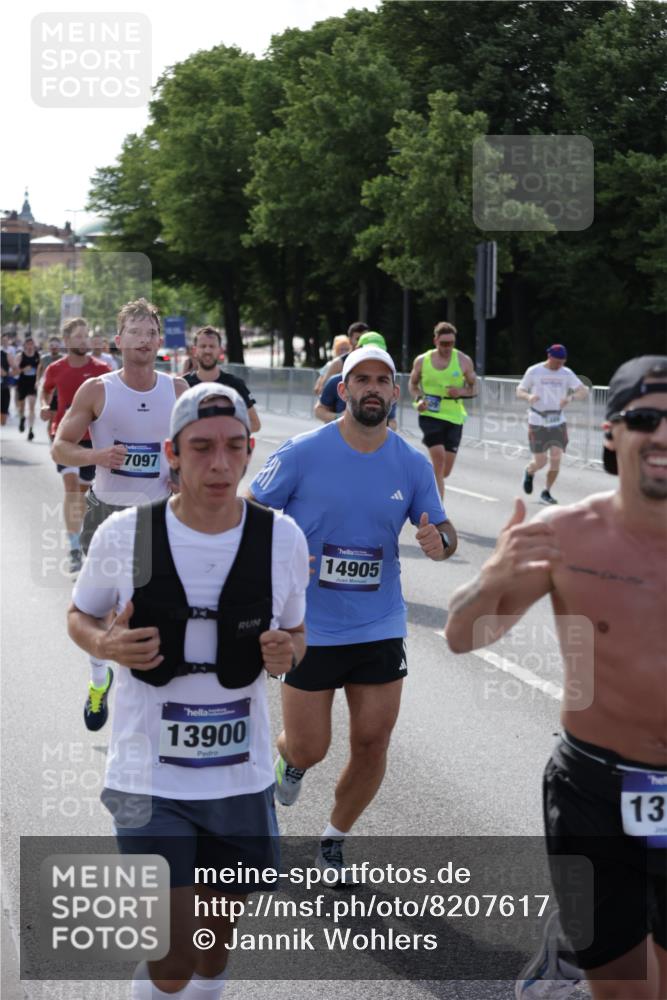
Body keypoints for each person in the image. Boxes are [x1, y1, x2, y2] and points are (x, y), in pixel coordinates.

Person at [67, 382, 309, 1000]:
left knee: (213, 940)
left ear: (251, 449)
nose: (220, 463)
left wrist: (289, 650)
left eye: (233, 446)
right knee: (173, 955)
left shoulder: (281, 538)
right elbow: (81, 616)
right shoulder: (127, 535)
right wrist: (106, 646)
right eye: (201, 447)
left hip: (238, 775)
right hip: (149, 776)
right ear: (172, 453)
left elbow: (297, 632)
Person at [445, 355, 667, 1000]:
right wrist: (491, 576)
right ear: (610, 432)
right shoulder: (563, 535)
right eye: (644, 419)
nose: (661, 435)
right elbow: (463, 638)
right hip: (591, 795)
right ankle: (568, 960)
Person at [249, 344, 458, 881]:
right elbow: (250, 511)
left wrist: (441, 543)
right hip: (309, 624)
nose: (371, 387)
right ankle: (288, 763)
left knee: (373, 739)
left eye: (381, 380)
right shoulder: (301, 451)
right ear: (341, 390)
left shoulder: (411, 461)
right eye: (359, 379)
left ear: (395, 391)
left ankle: (334, 841)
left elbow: (443, 528)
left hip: (379, 621)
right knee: (309, 747)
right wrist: (288, 550)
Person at [52, 298, 188, 732]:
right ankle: (99, 681)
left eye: (151, 332)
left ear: (159, 340)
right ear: (118, 340)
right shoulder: (98, 390)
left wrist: (183, 474)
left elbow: (194, 445)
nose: (144, 340)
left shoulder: (178, 389)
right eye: (135, 332)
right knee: (100, 612)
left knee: (157, 611)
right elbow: (60, 446)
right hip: (108, 512)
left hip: (163, 515)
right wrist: (99, 455)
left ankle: (152, 702)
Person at [41, 319, 110, 572]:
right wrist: (45, 408)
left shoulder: (102, 369)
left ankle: (85, 536)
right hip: (64, 436)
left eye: (86, 336)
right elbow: (47, 391)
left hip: (92, 440)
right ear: (67, 340)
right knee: (71, 489)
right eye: (79, 336)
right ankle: (73, 547)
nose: (84, 341)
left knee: (82, 492)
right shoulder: (56, 369)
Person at [408, 321, 478, 499]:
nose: (447, 348)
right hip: (430, 414)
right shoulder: (422, 360)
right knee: (438, 458)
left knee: (444, 471)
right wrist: (419, 399)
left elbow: (475, 388)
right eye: (443, 343)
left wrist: (461, 391)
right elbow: (413, 384)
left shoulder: (463, 360)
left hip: (454, 416)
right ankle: (438, 512)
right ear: (435, 341)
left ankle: (428, 481)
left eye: (451, 344)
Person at [516, 344, 589, 505]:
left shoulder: (566, 373)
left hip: (557, 420)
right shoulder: (534, 371)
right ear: (549, 357)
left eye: (562, 362)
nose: (559, 365)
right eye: (557, 362)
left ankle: (546, 491)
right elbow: (519, 390)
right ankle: (529, 471)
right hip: (537, 419)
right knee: (541, 461)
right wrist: (528, 397)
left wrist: (571, 398)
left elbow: (583, 391)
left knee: (556, 458)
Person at [184, 326, 261, 433]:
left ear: (220, 350)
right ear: (194, 350)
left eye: (212, 346)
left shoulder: (235, 384)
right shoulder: (183, 385)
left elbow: (255, 424)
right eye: (203, 346)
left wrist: (224, 433)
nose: (207, 350)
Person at [315, 332, 398, 430]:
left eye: (379, 351)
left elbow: (393, 423)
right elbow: (319, 410)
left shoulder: (386, 388)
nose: (373, 388)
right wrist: (339, 418)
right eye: (362, 380)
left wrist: (376, 426)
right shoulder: (336, 380)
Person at [313, 321, 368, 396]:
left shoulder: (374, 362)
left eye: (365, 339)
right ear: (350, 340)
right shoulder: (339, 363)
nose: (361, 343)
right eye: (358, 339)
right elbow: (322, 391)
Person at [16, 335, 40, 440]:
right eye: (28, 344)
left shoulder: (37, 356)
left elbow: (41, 369)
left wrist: (39, 380)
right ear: (25, 345)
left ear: (34, 345)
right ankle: (22, 418)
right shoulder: (20, 356)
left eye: (32, 344)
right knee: (21, 407)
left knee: (31, 407)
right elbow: (15, 371)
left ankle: (30, 430)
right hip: (22, 383)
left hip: (32, 384)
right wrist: (23, 369)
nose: (30, 346)